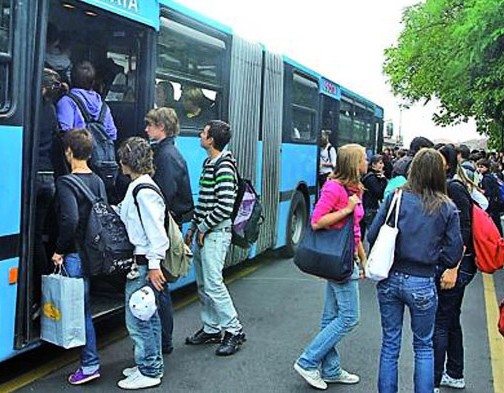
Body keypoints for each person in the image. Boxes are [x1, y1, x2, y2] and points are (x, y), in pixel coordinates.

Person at [367, 148, 464, 393]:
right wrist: (434, 253)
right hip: (422, 280)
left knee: (390, 343)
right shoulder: (447, 208)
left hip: (390, 278)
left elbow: (372, 234)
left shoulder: (396, 198)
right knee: (423, 346)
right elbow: (454, 253)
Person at [294, 144, 367, 391]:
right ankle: (307, 360)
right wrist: (346, 209)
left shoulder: (355, 188)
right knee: (349, 317)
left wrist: (363, 258)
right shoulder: (334, 188)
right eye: (364, 159)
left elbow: (354, 230)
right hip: (338, 260)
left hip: (347, 256)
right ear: (354, 163)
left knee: (330, 318)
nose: (368, 162)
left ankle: (331, 369)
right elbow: (316, 221)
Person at [184, 120, 246, 356]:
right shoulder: (209, 162)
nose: (200, 134)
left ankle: (234, 330)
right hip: (204, 233)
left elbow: (225, 206)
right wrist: (192, 228)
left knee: (214, 284)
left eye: (203, 132)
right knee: (204, 284)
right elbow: (204, 202)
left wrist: (203, 228)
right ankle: (211, 328)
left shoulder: (224, 167)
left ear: (211, 140)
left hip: (216, 235)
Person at [51, 129, 105, 385]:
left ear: (69, 152)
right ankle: (89, 360)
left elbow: (70, 219)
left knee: (80, 312)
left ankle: (90, 363)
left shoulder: (65, 182)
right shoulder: (98, 181)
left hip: (74, 254)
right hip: (93, 254)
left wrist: (59, 250)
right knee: (84, 309)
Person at [115, 137, 168, 389]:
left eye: (121, 158)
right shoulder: (140, 185)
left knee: (138, 319)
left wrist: (154, 265)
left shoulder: (143, 190)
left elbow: (156, 232)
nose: (119, 163)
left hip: (145, 264)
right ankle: (150, 363)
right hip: (146, 262)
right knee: (149, 317)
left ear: (128, 160)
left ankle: (149, 370)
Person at [144, 107, 193, 354]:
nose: (146, 129)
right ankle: (164, 339)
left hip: (165, 226)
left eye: (150, 125)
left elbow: (161, 197)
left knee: (159, 284)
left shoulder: (165, 156)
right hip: (170, 222)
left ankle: (164, 340)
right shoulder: (169, 152)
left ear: (161, 128)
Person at [434, 145, 476, 392]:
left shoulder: (453, 188)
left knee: (440, 322)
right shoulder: (452, 186)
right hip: (458, 265)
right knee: (450, 320)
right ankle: (455, 373)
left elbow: (464, 232)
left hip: (458, 266)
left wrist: (453, 268)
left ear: (447, 164)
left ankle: (435, 379)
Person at [33, 68, 64, 314]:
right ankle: (41, 294)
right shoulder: (51, 110)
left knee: (31, 239)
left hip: (34, 178)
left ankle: (37, 294)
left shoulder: (31, 106)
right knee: (37, 237)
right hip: (48, 178)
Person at [56, 61, 117, 140]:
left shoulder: (66, 102)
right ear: (93, 82)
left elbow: (65, 132)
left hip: (76, 151)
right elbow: (112, 134)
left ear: (71, 79)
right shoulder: (103, 106)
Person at [361, 154, 388, 240]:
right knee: (373, 233)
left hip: (367, 206)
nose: (382, 165)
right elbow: (379, 193)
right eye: (380, 163)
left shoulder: (371, 176)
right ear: (373, 165)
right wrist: (383, 180)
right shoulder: (371, 178)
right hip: (370, 207)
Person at [476, 158, 503, 235]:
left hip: (491, 204)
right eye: (478, 166)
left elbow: (487, 192)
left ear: (486, 168)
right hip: (496, 202)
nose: (479, 169)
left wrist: (478, 190)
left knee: (494, 223)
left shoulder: (486, 179)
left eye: (482, 167)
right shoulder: (491, 176)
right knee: (497, 222)